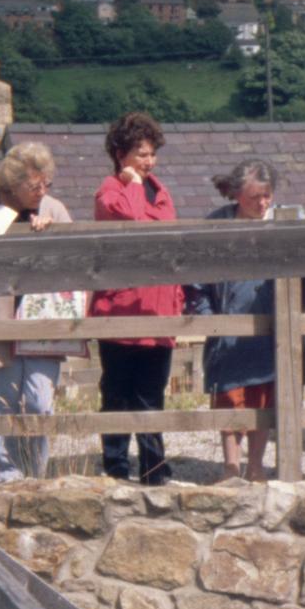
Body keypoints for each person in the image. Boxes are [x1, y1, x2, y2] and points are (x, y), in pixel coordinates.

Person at [0, 142, 80, 483]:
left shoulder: (53, 207)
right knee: (2, 401)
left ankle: (34, 470)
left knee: (39, 400)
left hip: (41, 320)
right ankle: (3, 474)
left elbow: (78, 257)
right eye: (34, 186)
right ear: (12, 185)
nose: (42, 191)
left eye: (47, 184)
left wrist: (53, 231)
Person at [91, 112, 182, 484]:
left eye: (151, 154)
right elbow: (135, 223)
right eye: (141, 154)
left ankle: (153, 465)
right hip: (121, 309)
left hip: (159, 309)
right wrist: (130, 183)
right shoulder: (109, 192)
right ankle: (115, 465)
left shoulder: (160, 191)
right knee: (117, 393)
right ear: (120, 154)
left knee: (151, 394)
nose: (149, 162)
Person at [185, 159, 282, 481]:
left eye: (267, 195)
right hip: (227, 327)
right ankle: (230, 467)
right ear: (238, 195)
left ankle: (255, 466)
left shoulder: (281, 223)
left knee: (263, 398)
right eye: (255, 197)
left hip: (269, 328)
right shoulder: (216, 225)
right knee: (229, 397)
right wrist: (208, 318)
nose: (263, 203)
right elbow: (196, 278)